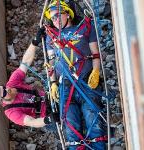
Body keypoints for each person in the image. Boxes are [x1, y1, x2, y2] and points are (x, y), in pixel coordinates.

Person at [44, 1, 107, 149]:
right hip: (65, 84)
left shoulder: (85, 27)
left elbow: (95, 53)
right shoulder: (50, 36)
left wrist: (96, 71)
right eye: (53, 18)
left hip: (85, 79)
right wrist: (53, 83)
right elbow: (51, 62)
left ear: (68, 14)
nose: (56, 20)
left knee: (92, 115)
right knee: (70, 123)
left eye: (58, 15)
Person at [0, 28, 58, 128]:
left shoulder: (12, 83)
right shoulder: (12, 113)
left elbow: (25, 63)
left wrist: (34, 42)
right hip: (46, 116)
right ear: (2, 101)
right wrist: (48, 119)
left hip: (49, 97)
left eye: (3, 87)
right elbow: (31, 122)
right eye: (5, 92)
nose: (7, 88)